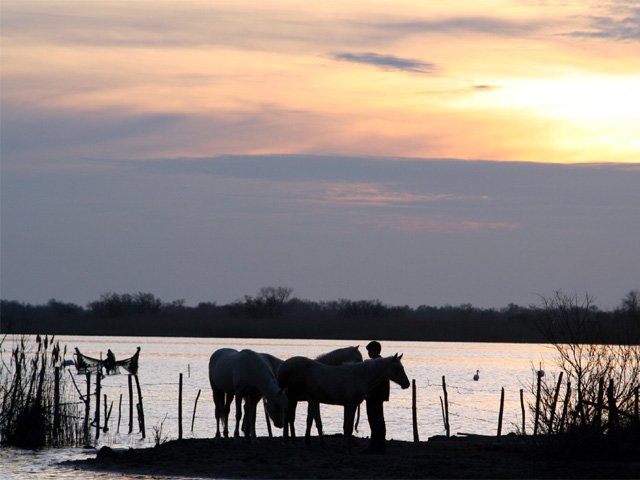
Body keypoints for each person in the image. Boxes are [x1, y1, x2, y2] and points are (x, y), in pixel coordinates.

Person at [363, 340, 389, 454]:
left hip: (374, 395)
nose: (368, 354)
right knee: (377, 420)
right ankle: (378, 445)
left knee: (375, 420)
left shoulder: (378, 363)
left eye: (369, 351)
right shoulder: (380, 362)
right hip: (377, 395)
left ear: (374, 351)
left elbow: (374, 380)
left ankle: (377, 445)